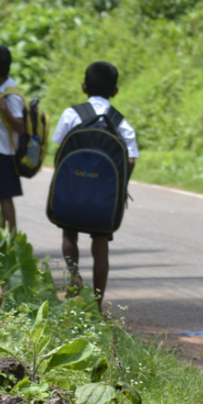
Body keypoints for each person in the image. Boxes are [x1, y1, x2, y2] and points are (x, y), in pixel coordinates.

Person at [50, 61, 139, 309]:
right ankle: (97, 305)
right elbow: (130, 160)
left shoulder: (72, 114)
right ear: (115, 91)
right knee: (101, 245)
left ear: (84, 86)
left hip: (73, 191)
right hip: (104, 198)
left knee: (69, 232)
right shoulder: (122, 123)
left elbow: (60, 151)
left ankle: (73, 275)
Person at [0, 45, 26, 233]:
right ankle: (6, 238)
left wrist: (4, 109)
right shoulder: (0, 88)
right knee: (2, 197)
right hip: (0, 152)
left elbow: (20, 127)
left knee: (5, 197)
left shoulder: (10, 94)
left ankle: (10, 241)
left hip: (7, 154)